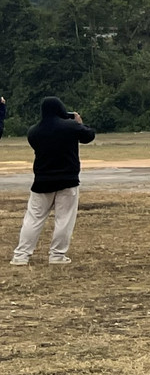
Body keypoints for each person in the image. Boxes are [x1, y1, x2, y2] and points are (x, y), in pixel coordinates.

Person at [11, 97, 95, 266]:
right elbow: (88, 136)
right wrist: (79, 122)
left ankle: (21, 255)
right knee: (64, 219)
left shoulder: (34, 131)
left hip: (42, 180)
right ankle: (57, 255)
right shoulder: (70, 127)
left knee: (33, 218)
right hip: (68, 179)